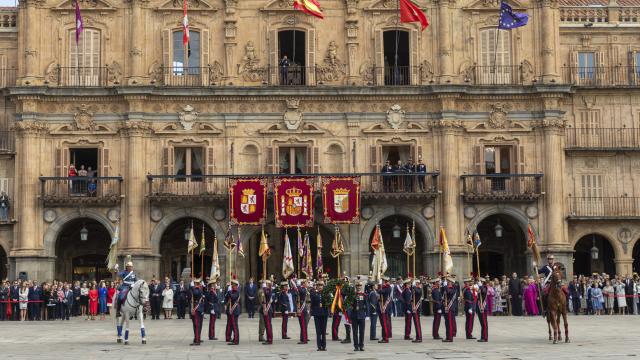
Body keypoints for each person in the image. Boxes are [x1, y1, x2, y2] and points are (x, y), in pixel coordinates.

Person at [310, 280, 328, 351]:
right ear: (317, 286)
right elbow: (313, 304)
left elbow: (328, 303)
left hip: (324, 314)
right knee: (318, 331)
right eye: (319, 285)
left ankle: (324, 346)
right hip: (317, 314)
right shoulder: (314, 294)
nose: (320, 287)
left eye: (321, 285)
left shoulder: (326, 294)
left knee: (323, 331)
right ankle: (319, 346)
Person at [351, 281, 366, 352]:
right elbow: (349, 304)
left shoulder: (364, 295)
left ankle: (361, 346)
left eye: (360, 286)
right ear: (355, 287)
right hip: (354, 316)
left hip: (362, 315)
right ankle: (356, 346)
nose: (358, 287)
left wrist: (367, 314)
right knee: (355, 332)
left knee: (362, 332)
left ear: (361, 287)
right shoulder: (352, 295)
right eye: (357, 286)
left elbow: (366, 305)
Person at [224, 279, 241, 345]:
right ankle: (234, 338)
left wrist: (229, 292)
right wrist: (227, 291)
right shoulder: (231, 291)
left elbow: (233, 297)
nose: (232, 285)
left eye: (233, 284)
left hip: (234, 310)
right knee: (232, 325)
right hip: (231, 311)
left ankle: (236, 340)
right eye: (232, 284)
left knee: (235, 326)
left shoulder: (237, 292)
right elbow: (226, 298)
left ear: (236, 285)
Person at [190, 279, 205, 346]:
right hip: (197, 308)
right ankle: (196, 338)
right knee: (196, 325)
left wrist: (192, 287)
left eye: (195, 283)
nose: (195, 284)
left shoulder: (198, 289)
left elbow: (195, 293)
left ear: (197, 283)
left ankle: (197, 340)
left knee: (196, 325)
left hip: (197, 309)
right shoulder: (198, 288)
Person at [442, 275, 457, 342]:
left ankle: (450, 337)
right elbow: (443, 295)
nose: (447, 282)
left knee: (450, 323)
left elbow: (448, 292)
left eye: (448, 281)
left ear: (451, 282)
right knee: (447, 323)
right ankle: (448, 336)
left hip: (450, 308)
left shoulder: (453, 289)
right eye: (447, 281)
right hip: (446, 307)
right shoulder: (446, 288)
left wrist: (445, 287)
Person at [377, 277, 392, 343]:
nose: (382, 282)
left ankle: (385, 338)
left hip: (385, 307)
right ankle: (384, 336)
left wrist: (379, 286)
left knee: (384, 323)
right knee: (383, 323)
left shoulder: (388, 287)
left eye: (383, 281)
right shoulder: (384, 287)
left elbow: (381, 292)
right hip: (383, 306)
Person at [260, 280, 274, 345]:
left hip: (268, 309)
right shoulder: (267, 290)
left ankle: (270, 339)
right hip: (267, 309)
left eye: (266, 283)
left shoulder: (268, 290)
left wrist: (264, 288)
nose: (264, 284)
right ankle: (269, 338)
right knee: (268, 325)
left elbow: (266, 297)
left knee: (268, 325)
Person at [296, 279, 310, 344]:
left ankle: (304, 339)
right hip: (302, 307)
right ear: (303, 284)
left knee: (303, 324)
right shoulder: (303, 289)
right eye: (306, 283)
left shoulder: (303, 289)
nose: (307, 284)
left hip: (302, 308)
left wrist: (298, 285)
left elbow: (299, 291)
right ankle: (303, 338)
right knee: (302, 325)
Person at [476, 278, 489, 342]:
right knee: (482, 323)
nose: (478, 282)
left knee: (484, 323)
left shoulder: (485, 287)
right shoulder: (480, 288)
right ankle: (483, 336)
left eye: (480, 281)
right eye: (478, 281)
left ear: (482, 282)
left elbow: (484, 292)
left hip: (483, 307)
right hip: (479, 307)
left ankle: (485, 337)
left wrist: (481, 286)